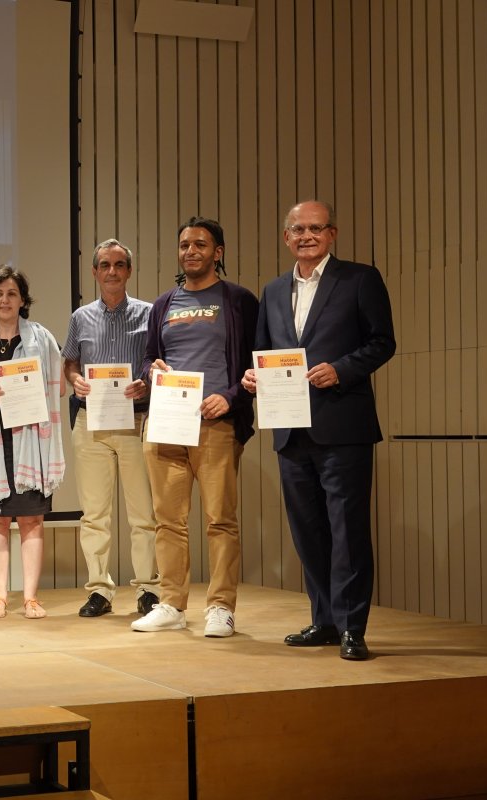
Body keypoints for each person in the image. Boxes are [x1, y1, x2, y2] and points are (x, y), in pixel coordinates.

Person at [241, 201, 395, 661]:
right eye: (297, 229)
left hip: (342, 425)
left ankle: (352, 627)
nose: (306, 236)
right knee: (308, 531)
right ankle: (324, 620)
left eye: (315, 228)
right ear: (286, 238)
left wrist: (342, 370)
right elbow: (263, 352)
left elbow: (382, 342)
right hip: (289, 430)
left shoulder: (360, 279)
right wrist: (252, 379)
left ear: (332, 233)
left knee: (347, 530)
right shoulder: (271, 291)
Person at [132, 217, 258, 638]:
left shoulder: (238, 300)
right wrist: (154, 369)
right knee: (168, 520)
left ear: (217, 252)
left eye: (200, 244)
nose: (191, 251)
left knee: (220, 519)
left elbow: (255, 365)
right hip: (166, 422)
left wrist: (231, 397)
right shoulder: (164, 304)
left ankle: (221, 607)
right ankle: (171, 603)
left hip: (216, 423)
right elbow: (149, 358)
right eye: (184, 244)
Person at [61, 239, 159, 619]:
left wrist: (147, 382)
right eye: (105, 265)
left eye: (120, 265)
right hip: (91, 422)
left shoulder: (150, 314)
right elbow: (70, 363)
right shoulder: (80, 317)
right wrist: (75, 380)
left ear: (129, 271)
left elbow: (160, 364)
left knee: (143, 514)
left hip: (136, 420)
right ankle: (99, 590)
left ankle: (149, 590)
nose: (112, 272)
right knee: (94, 514)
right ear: (95, 272)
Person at [0, 266, 65, 620]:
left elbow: (59, 387)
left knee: (32, 520)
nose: (5, 300)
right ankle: (0, 597)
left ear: (23, 300)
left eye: (12, 293)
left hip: (30, 440)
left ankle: (31, 598)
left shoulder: (43, 339)